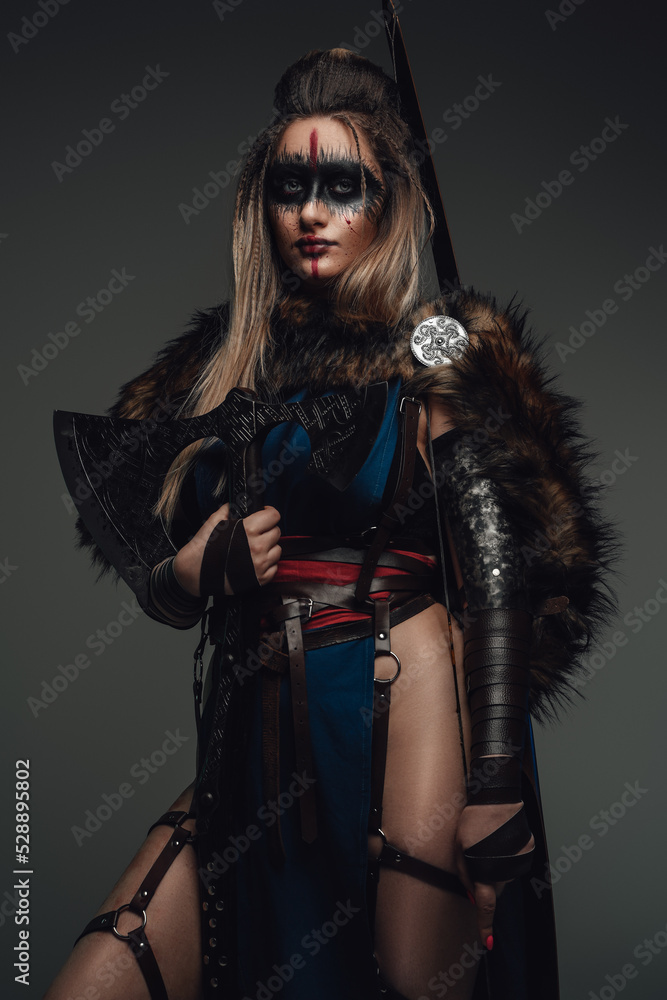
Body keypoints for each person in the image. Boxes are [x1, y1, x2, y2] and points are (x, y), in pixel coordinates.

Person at [46, 47, 615, 1000]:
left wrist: (496, 776)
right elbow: (143, 534)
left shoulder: (434, 336)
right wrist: (189, 574)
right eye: (290, 186)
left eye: (343, 186)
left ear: (389, 203)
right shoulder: (224, 359)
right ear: (257, 202)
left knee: (404, 979)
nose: (312, 212)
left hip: (399, 698)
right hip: (256, 723)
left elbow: (499, 563)